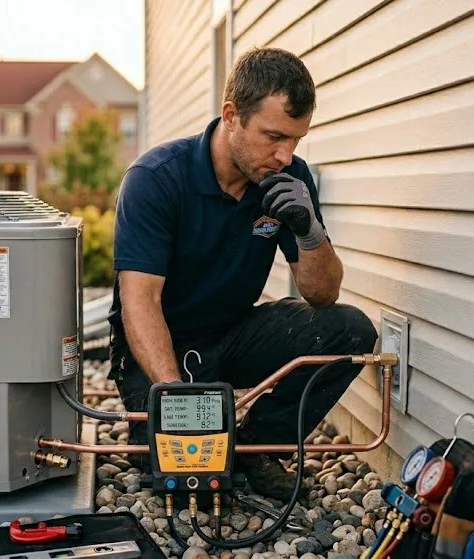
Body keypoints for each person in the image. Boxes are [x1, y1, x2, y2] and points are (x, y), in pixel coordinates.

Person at [105, 47, 378, 502]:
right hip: (156, 346)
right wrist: (175, 398)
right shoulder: (155, 178)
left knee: (349, 330)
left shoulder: (291, 178)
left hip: (231, 333)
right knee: (181, 469)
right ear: (231, 115)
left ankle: (255, 446)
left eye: (295, 140)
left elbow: (323, 295)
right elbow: (140, 301)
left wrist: (308, 231)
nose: (285, 155)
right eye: (273, 136)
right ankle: (179, 430)